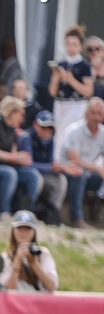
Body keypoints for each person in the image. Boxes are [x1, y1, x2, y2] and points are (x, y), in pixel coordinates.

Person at [0, 96, 42, 221]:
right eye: (20, 114)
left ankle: (26, 213)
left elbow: (13, 152)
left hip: (8, 165)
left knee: (32, 175)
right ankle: (3, 212)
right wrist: (13, 157)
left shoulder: (13, 130)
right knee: (9, 173)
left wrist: (20, 158)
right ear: (12, 112)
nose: (23, 119)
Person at [16, 110, 74, 222]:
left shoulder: (51, 141)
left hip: (41, 173)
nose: (47, 130)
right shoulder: (26, 137)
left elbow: (51, 163)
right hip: (23, 172)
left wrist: (60, 168)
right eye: (43, 127)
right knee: (35, 177)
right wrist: (50, 168)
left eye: (50, 128)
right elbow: (27, 164)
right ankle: (29, 211)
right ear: (35, 125)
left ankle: (53, 212)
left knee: (61, 180)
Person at [57, 97, 104, 228]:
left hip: (88, 174)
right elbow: (74, 160)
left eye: (99, 114)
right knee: (79, 173)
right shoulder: (74, 130)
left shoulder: (103, 133)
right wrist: (98, 168)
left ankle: (98, 212)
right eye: (93, 113)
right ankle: (76, 218)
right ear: (86, 113)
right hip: (65, 172)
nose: (96, 117)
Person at [48, 25, 93, 156]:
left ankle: (61, 161)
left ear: (80, 46)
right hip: (60, 103)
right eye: (68, 44)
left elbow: (88, 91)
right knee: (57, 133)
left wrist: (71, 80)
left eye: (74, 44)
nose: (71, 47)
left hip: (76, 104)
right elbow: (52, 92)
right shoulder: (61, 63)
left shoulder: (84, 66)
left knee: (66, 133)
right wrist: (56, 79)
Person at [0, 210, 58, 293]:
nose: (23, 232)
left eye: (28, 228)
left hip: (38, 303)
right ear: (13, 230)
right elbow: (4, 290)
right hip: (15, 304)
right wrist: (17, 264)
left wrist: (34, 264)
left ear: (34, 232)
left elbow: (52, 287)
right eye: (19, 228)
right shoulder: (5, 257)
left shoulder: (43, 254)